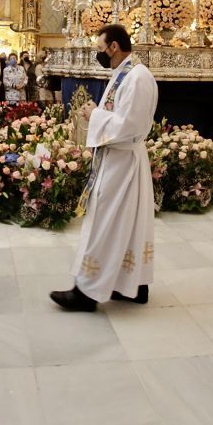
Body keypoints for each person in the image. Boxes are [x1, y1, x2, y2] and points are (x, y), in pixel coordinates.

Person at [50, 24, 158, 312]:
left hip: (122, 162)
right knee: (125, 223)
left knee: (105, 223)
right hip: (117, 158)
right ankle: (132, 286)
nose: (99, 54)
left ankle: (87, 292)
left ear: (113, 46)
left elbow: (129, 126)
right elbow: (120, 116)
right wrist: (98, 113)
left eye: (100, 49)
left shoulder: (136, 77)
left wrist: (94, 114)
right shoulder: (124, 73)